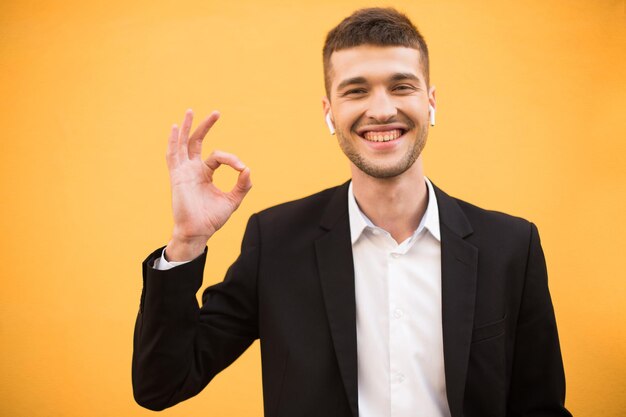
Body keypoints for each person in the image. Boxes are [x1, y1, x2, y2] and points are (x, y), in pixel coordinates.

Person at [132, 7, 572, 417]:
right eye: (356, 90)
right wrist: (186, 243)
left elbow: (541, 408)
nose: (381, 110)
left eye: (401, 86)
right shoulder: (277, 242)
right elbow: (162, 385)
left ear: (431, 102)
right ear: (329, 113)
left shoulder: (511, 247)